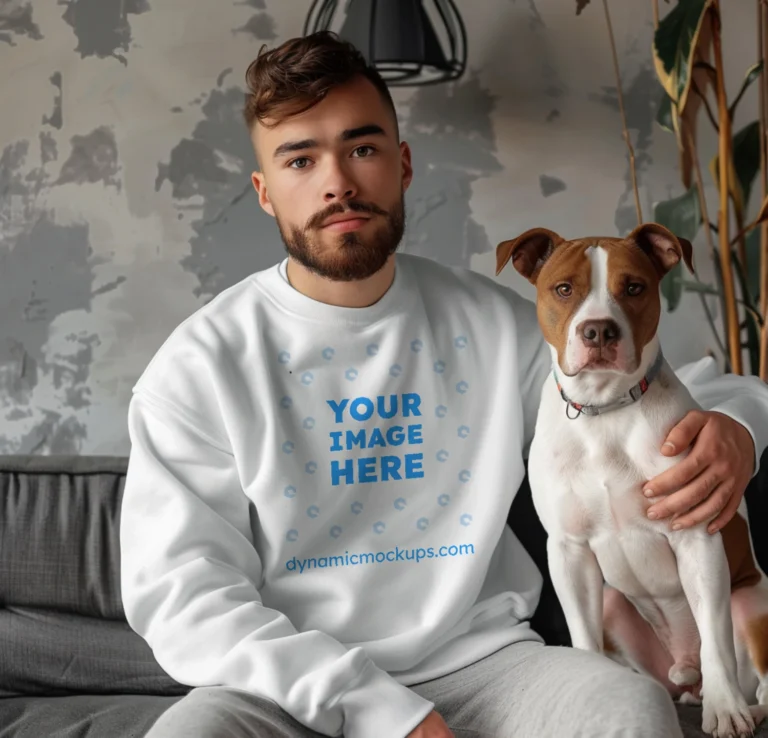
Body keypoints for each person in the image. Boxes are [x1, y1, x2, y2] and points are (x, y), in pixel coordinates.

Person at [120, 31, 768, 738]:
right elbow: (183, 598)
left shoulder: (493, 325)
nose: (337, 181)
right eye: (300, 158)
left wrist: (736, 431)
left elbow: (670, 387)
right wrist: (376, 709)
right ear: (265, 193)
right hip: (282, 689)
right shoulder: (199, 366)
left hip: (489, 669)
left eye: (362, 148)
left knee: (628, 711)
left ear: (402, 166)